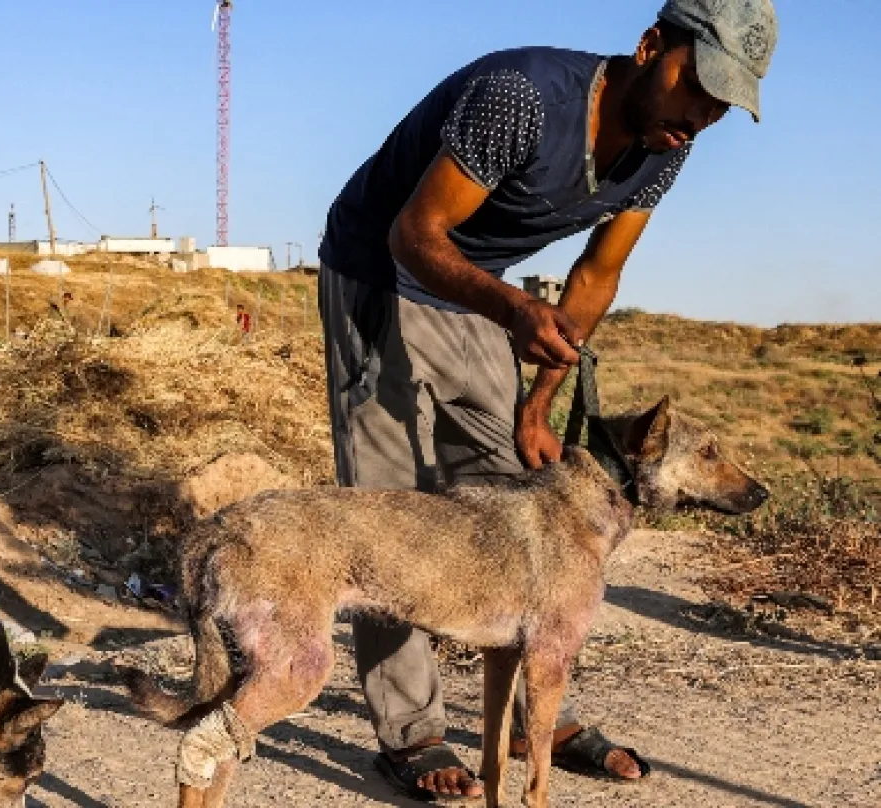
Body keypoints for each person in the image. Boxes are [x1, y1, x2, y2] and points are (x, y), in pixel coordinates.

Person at [316, 0, 776, 801]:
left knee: (514, 501)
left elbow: (596, 277)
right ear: (650, 47)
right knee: (386, 518)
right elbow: (413, 235)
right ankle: (414, 733)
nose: (700, 117)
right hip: (382, 269)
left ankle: (538, 712)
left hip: (479, 296)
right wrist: (513, 310)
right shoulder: (523, 95)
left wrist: (539, 403)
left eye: (721, 104)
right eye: (696, 86)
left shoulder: (665, 149)